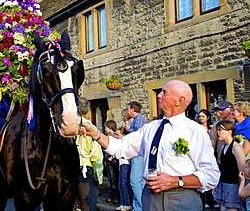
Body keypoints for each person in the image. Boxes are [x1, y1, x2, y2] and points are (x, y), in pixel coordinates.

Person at [82, 80, 220, 211]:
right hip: (149, 196)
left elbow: (211, 175)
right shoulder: (151, 127)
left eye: (165, 93)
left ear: (180, 100)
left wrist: (175, 181)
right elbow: (120, 147)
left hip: (181, 196)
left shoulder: (195, 131)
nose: (159, 95)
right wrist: (95, 134)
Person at [76, 97, 103, 211]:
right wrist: (99, 175)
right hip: (87, 169)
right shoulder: (91, 129)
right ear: (87, 111)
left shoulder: (69, 128)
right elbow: (97, 156)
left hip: (72, 168)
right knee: (89, 204)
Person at [213, 120, 245, 210]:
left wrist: (242, 189)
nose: (218, 133)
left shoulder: (236, 147)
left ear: (229, 132)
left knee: (232, 207)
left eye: (221, 130)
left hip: (233, 184)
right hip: (223, 183)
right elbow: (221, 166)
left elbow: (242, 170)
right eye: (218, 130)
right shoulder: (223, 147)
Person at [126, 101, 147, 211]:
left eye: (128, 109)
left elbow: (137, 136)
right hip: (140, 153)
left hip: (138, 153)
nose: (128, 111)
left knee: (134, 181)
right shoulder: (138, 119)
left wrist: (129, 130)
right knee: (141, 182)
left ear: (132, 110)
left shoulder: (139, 119)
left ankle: (140, 207)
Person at [197, 109, 217, 209]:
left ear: (207, 117)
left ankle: (211, 199)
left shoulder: (211, 128)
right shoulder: (197, 128)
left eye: (203, 116)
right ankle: (204, 200)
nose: (201, 118)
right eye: (199, 116)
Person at [114, 127, 133, 211]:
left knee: (125, 184)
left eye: (118, 135)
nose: (117, 137)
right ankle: (123, 203)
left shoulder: (126, 142)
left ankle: (127, 203)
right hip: (121, 164)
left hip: (125, 164)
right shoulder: (120, 142)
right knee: (121, 184)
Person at [103, 120, 120, 206]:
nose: (105, 129)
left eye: (106, 127)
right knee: (110, 180)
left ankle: (116, 197)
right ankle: (111, 196)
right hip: (108, 161)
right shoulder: (107, 137)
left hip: (113, 161)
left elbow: (117, 148)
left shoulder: (114, 137)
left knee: (114, 180)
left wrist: (112, 157)